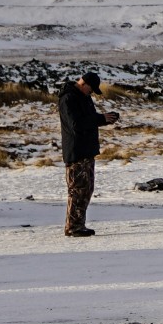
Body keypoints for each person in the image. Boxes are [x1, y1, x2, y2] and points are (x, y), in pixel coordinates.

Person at [56, 70, 119, 237]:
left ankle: (78, 225)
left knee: (86, 189)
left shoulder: (82, 98)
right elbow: (76, 124)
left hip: (86, 150)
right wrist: (100, 119)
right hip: (76, 152)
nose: (91, 93)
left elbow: (87, 120)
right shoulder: (68, 98)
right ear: (84, 84)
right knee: (78, 189)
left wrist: (106, 119)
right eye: (91, 90)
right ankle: (73, 227)